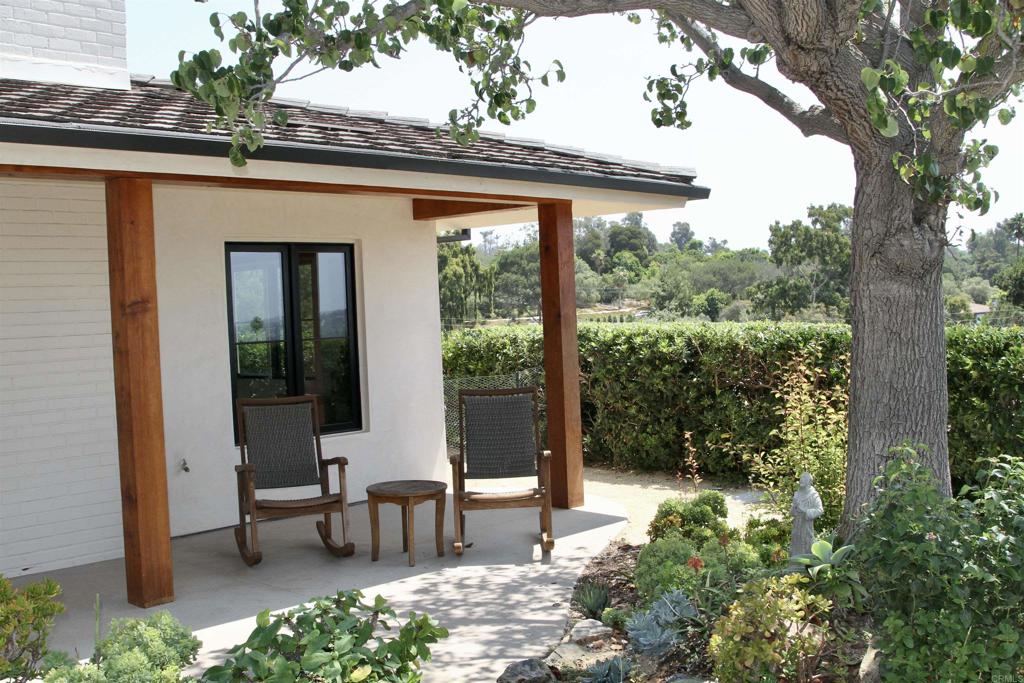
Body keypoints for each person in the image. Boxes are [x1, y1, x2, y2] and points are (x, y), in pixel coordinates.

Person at [790, 471, 824, 558]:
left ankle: (806, 564)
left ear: (809, 482)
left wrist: (806, 511)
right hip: (797, 526)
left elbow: (820, 510)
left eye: (804, 478)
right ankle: (794, 564)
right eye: (800, 478)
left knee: (806, 543)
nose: (801, 480)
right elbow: (792, 513)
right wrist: (794, 508)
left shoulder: (813, 495)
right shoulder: (797, 494)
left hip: (806, 526)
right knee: (796, 543)